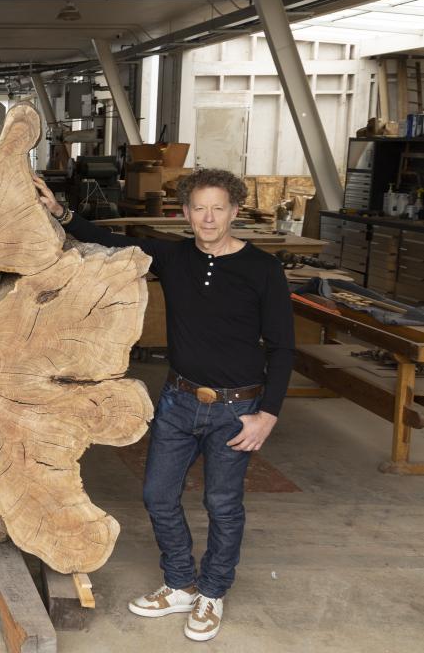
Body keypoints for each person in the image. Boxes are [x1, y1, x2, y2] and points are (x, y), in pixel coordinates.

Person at [34, 168, 294, 642]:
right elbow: (108, 239)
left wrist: (268, 414)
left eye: (218, 208)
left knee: (222, 503)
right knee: (157, 496)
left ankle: (211, 592)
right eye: (199, 208)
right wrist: (61, 212)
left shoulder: (263, 269)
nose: (209, 217)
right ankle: (179, 583)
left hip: (237, 408)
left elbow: (282, 347)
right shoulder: (173, 257)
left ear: (236, 211)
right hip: (178, 399)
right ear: (186, 213)